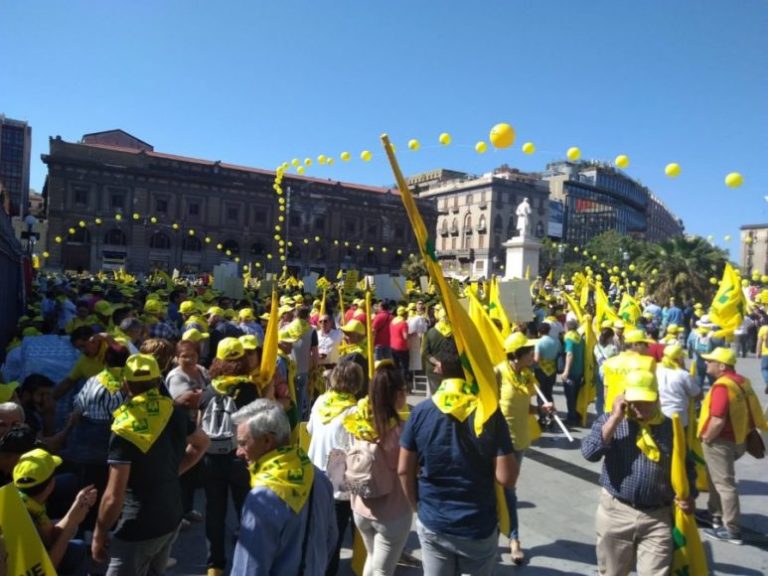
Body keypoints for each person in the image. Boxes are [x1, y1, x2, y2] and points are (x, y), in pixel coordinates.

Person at [399, 343, 519, 575]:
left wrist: (417, 507)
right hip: (477, 525)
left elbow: (404, 470)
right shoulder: (490, 414)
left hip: (433, 519)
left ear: (441, 370)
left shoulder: (420, 412)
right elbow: (507, 478)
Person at [91, 353, 210, 575]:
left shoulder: (123, 427)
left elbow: (113, 495)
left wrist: (99, 533)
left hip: (136, 527)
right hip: (171, 516)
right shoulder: (173, 411)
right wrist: (172, 472)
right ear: (158, 381)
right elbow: (201, 443)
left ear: (126, 384)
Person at [581, 370, 695, 575]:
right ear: (624, 398)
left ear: (657, 398)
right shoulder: (611, 421)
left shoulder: (671, 427)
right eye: (634, 401)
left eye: (646, 401)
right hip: (616, 512)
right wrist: (616, 418)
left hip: (657, 516)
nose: (639, 407)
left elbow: (687, 466)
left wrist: (690, 495)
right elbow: (589, 453)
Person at [231, 399, 338, 574]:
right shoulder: (318, 477)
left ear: (267, 441)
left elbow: (248, 567)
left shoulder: (262, 498)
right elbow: (331, 538)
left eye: (243, 443)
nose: (238, 452)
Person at [201, 338, 261, 576]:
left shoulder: (208, 389)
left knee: (214, 512)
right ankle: (249, 562)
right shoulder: (249, 388)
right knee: (247, 511)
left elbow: (199, 424)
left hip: (210, 459)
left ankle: (214, 565)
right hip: (239, 457)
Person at [348, 362, 413, 576]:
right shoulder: (403, 430)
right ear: (397, 395)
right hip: (391, 513)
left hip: (360, 506)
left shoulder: (357, 424)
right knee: (383, 570)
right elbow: (409, 470)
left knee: (374, 560)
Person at [698, 347, 767, 544]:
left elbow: (718, 420)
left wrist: (707, 439)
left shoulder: (722, 387)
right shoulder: (742, 381)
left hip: (721, 442)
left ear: (721, 366)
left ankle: (732, 529)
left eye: (710, 361)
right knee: (715, 477)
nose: (706, 364)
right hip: (739, 439)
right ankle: (715, 513)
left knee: (725, 484)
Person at [496, 332, 554, 565]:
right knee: (500, 490)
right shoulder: (498, 373)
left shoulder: (528, 375)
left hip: (519, 442)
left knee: (508, 489)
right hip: (497, 443)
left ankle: (510, 538)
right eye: (529, 352)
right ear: (516, 355)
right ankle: (505, 539)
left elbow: (524, 408)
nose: (533, 355)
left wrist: (541, 410)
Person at [307, 361, 363, 576]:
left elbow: (311, 429)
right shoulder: (355, 410)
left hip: (315, 473)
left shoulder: (321, 401)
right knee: (337, 534)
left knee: (323, 533)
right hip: (341, 480)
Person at [14, 448, 98, 575]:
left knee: (77, 548)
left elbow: (50, 538)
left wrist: (74, 510)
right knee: (78, 546)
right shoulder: (24, 518)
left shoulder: (25, 502)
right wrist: (72, 523)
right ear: (50, 486)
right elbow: (46, 569)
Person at [166, 339, 211, 527]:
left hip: (199, 429)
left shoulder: (201, 370)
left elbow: (206, 392)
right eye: (184, 356)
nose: (189, 359)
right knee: (181, 472)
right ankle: (175, 515)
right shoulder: (176, 376)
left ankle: (187, 509)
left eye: (192, 355)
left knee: (193, 472)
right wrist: (208, 393)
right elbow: (187, 400)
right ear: (176, 358)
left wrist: (203, 393)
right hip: (182, 430)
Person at [601, 329, 656, 414]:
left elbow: (606, 393)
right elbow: (653, 392)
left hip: (611, 411)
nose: (648, 347)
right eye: (646, 344)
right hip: (635, 413)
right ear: (636, 344)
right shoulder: (648, 363)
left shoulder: (609, 363)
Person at [655, 344, 700, 428]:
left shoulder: (655, 370)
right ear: (679, 359)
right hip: (679, 416)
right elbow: (697, 394)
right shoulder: (683, 374)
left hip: (658, 414)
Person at [421, 305, 454, 397]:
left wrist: (437, 363)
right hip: (449, 369)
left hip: (433, 370)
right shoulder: (454, 333)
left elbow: (425, 353)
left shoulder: (430, 332)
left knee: (436, 396)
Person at [559, 318, 585, 425]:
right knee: (575, 396)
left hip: (571, 372)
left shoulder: (569, 338)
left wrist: (566, 371)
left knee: (570, 396)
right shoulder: (580, 337)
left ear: (567, 327)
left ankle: (571, 418)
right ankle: (575, 415)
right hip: (579, 371)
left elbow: (569, 354)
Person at [533, 321, 560, 424]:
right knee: (549, 393)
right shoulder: (556, 341)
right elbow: (559, 353)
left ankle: (542, 416)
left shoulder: (539, 342)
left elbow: (537, 359)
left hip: (541, 370)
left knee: (541, 394)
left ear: (539, 332)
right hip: (552, 369)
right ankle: (551, 415)